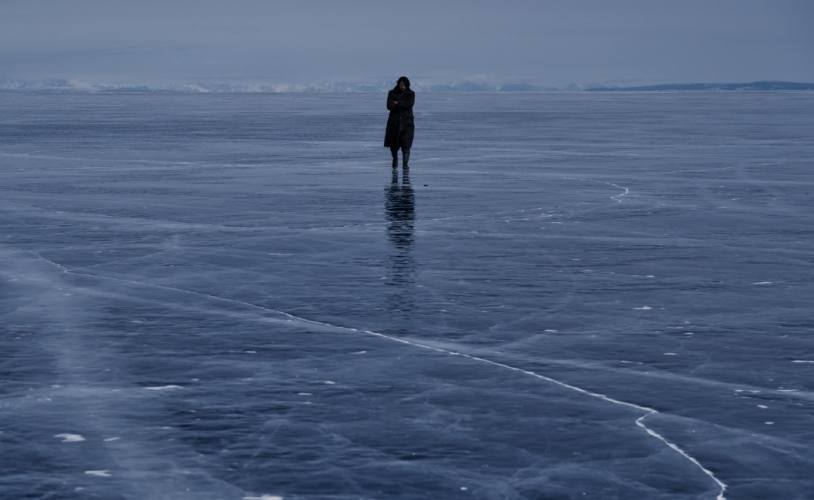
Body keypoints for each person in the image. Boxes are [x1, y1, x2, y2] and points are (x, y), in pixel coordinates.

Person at [384, 76, 415, 169]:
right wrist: (402, 104)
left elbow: (409, 105)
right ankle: (395, 160)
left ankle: (405, 164)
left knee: (406, 144)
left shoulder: (411, 94)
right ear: (398, 84)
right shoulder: (392, 93)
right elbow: (389, 106)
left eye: (405, 85)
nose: (403, 87)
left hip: (407, 123)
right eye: (401, 85)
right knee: (394, 145)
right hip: (394, 122)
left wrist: (398, 103)